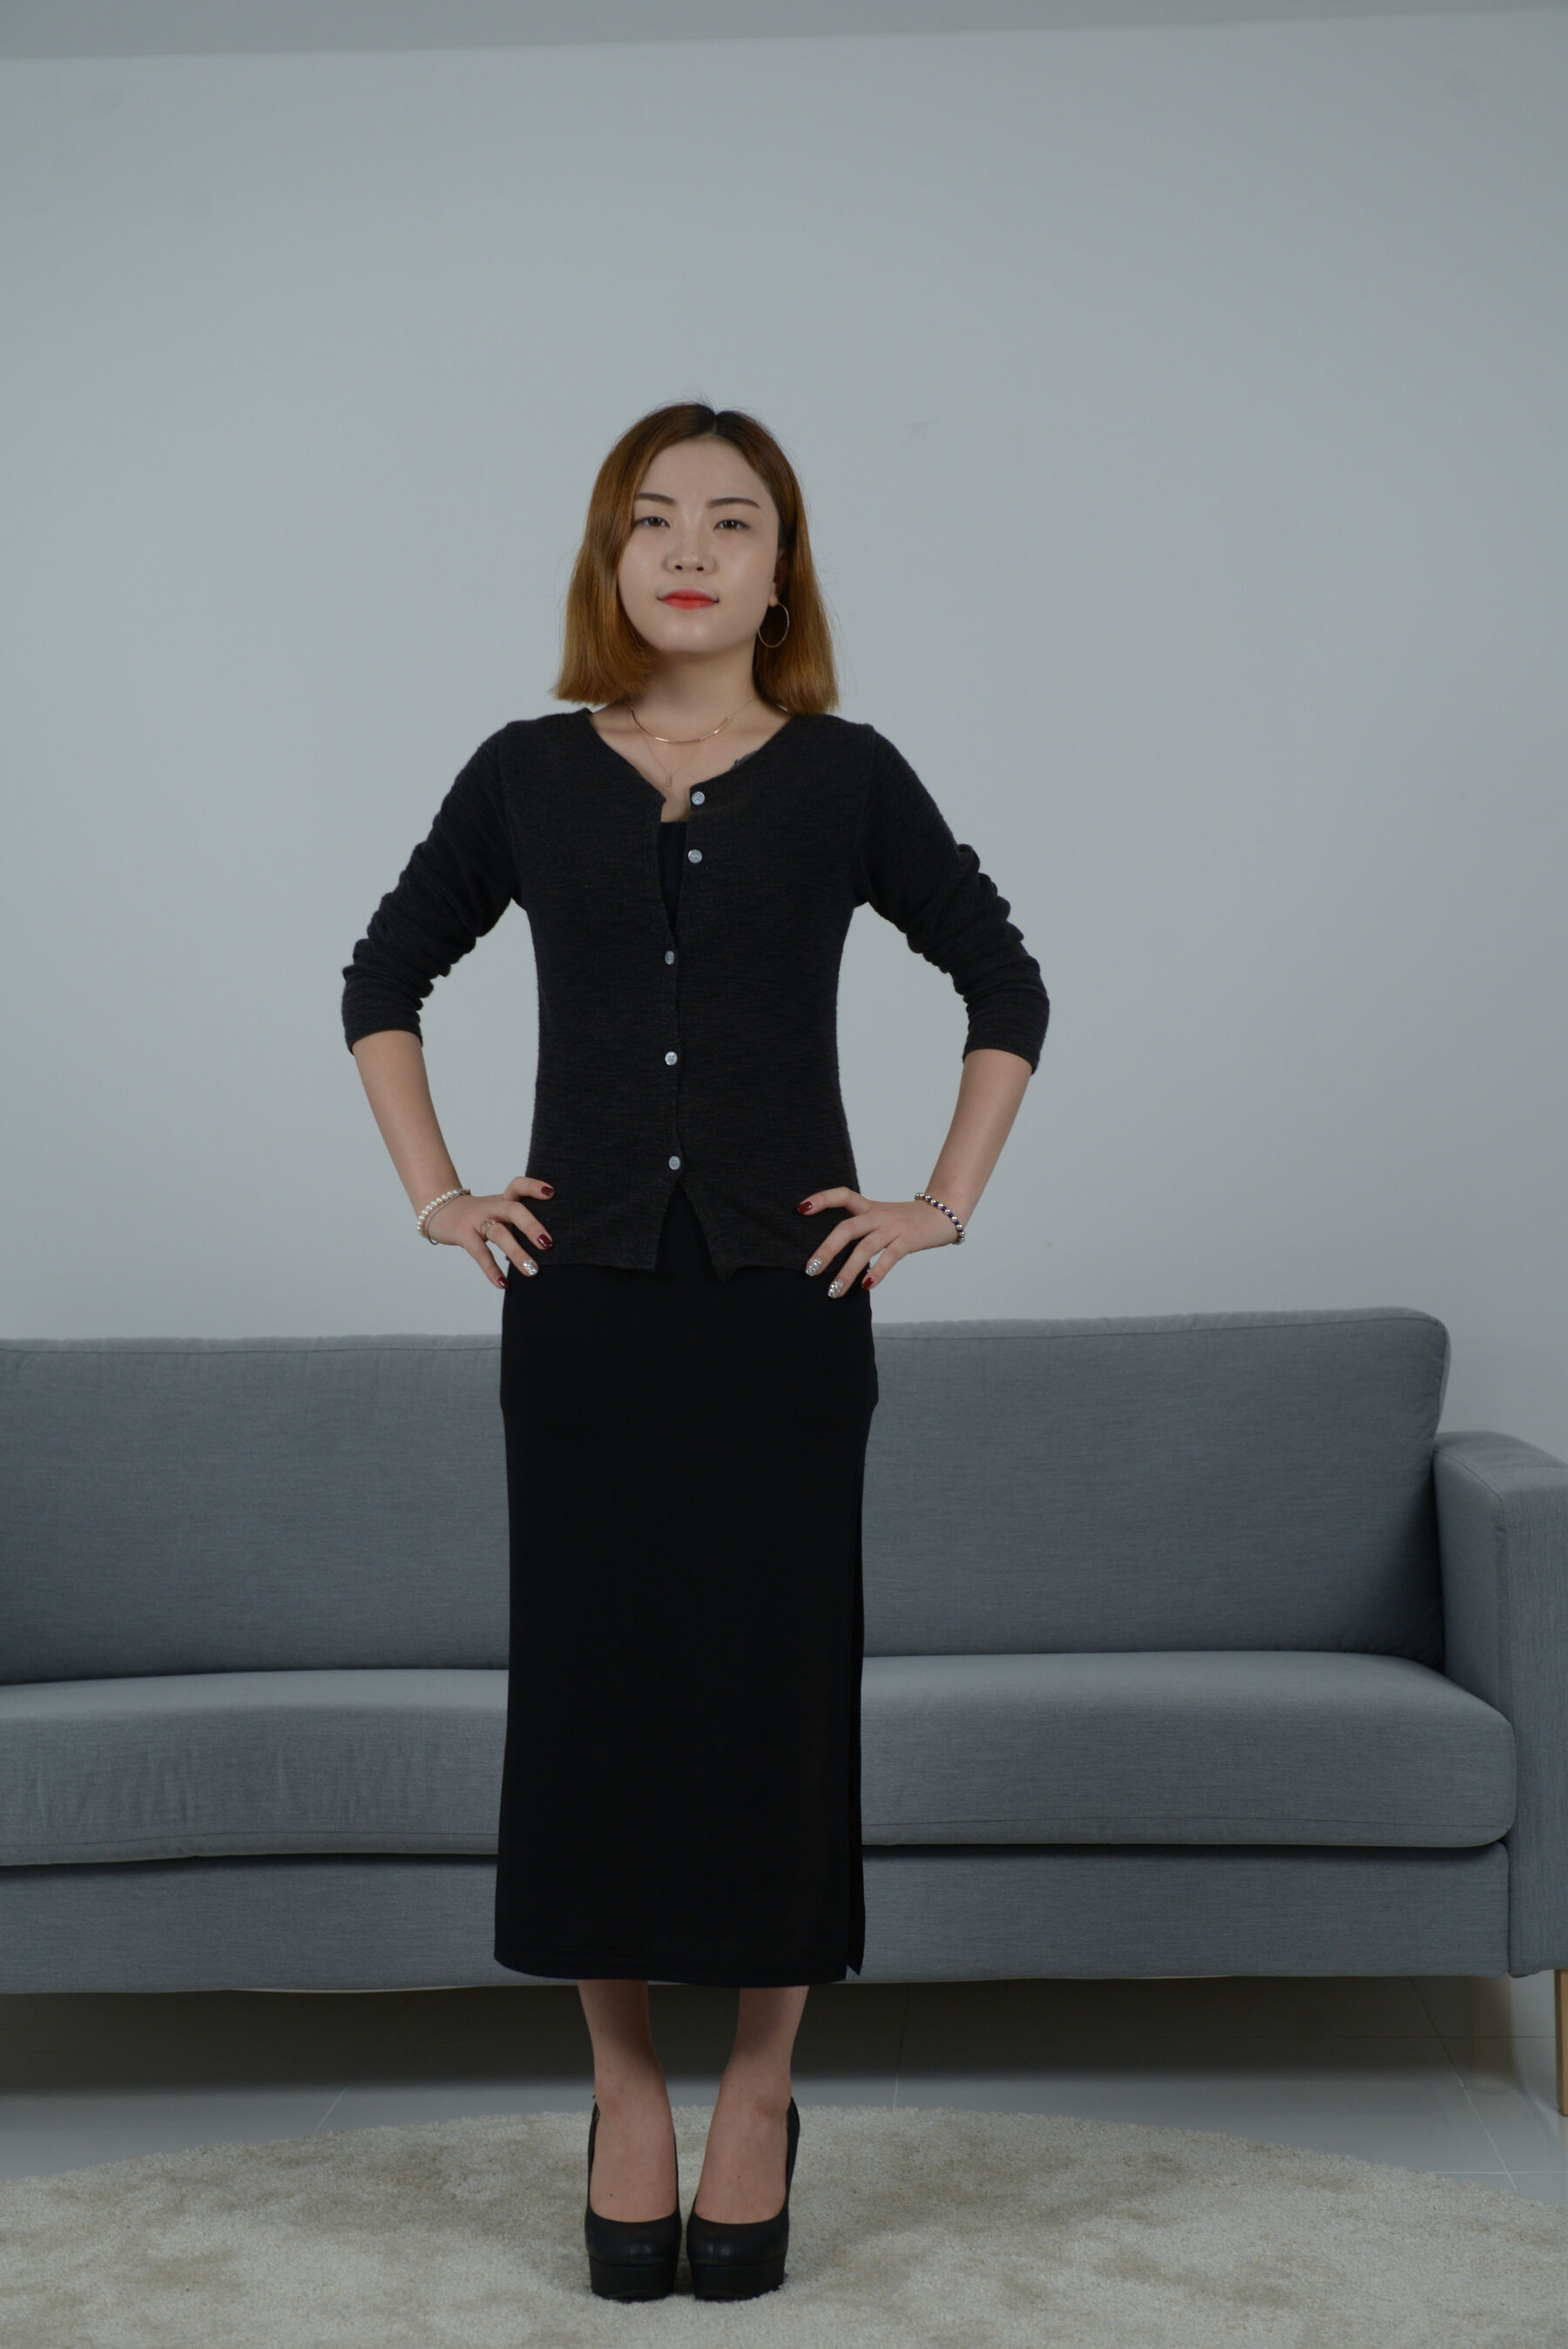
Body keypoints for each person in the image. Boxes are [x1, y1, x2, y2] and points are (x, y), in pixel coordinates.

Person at [341, 401, 1049, 2301]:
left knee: (773, 1700)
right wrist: (439, 1195)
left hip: (781, 1317)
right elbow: (381, 981)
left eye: (734, 521)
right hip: (582, 1320)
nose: (690, 549)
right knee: (592, 1700)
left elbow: (1005, 982)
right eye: (654, 517)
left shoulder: (846, 777)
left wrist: (939, 1200)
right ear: (611, 553)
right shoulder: (523, 774)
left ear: (780, 570)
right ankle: (622, 2087)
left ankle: (759, 2090)